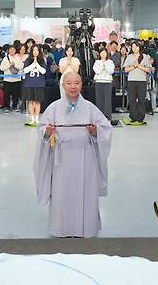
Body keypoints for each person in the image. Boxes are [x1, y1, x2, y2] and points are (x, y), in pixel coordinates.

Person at [34, 71, 112, 238]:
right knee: (62, 194)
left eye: (76, 83)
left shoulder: (90, 108)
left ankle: (86, 228)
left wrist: (94, 131)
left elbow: (106, 129)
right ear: (63, 85)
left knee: (85, 193)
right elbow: (42, 131)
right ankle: (62, 228)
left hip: (86, 158)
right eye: (69, 83)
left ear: (81, 84)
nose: (73, 86)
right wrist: (47, 132)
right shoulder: (54, 108)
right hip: (61, 159)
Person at [123, 41, 151, 124]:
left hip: (142, 81)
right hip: (131, 81)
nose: (134, 48)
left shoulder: (145, 57)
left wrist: (139, 66)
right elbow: (126, 69)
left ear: (139, 47)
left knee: (142, 99)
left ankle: (141, 117)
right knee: (132, 100)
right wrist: (134, 66)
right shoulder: (129, 57)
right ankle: (133, 116)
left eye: (136, 46)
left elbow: (148, 69)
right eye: (133, 47)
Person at [22, 44, 47, 126]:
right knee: (30, 101)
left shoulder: (42, 60)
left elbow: (43, 71)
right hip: (29, 84)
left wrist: (37, 64)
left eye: (37, 50)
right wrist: (33, 64)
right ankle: (32, 119)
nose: (35, 52)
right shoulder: (28, 60)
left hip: (39, 84)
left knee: (37, 102)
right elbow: (25, 70)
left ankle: (37, 118)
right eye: (34, 50)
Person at [93, 47, 115, 120]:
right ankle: (99, 116)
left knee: (107, 100)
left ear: (107, 53)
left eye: (104, 52)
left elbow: (110, 71)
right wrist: (102, 65)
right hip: (99, 82)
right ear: (99, 53)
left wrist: (105, 65)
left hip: (108, 82)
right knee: (99, 99)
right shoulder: (97, 62)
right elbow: (97, 71)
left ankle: (107, 116)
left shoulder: (110, 62)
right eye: (101, 52)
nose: (103, 54)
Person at [0, 44, 24, 113]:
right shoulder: (5, 58)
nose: (12, 51)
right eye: (10, 49)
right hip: (7, 79)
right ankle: (7, 107)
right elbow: (1, 68)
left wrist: (15, 65)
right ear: (8, 50)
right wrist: (9, 65)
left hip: (16, 79)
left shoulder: (18, 57)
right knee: (6, 94)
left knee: (15, 94)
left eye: (13, 49)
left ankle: (15, 106)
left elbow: (22, 66)